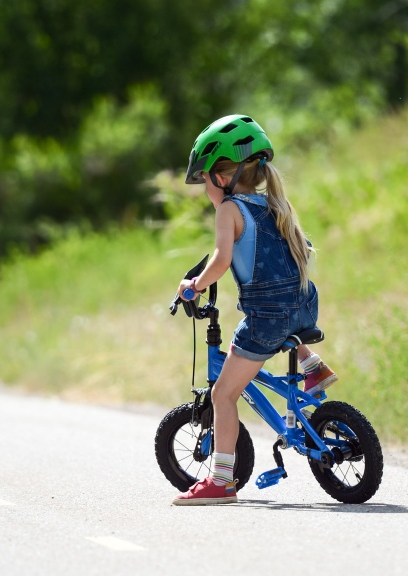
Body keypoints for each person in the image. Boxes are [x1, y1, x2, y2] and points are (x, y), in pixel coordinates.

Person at [172, 114, 336, 506]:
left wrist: (195, 286)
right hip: (304, 304)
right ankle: (312, 365)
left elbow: (221, 260)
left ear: (221, 178)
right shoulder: (272, 202)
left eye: (205, 180)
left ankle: (221, 481)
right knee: (281, 324)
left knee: (223, 395)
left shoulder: (229, 209)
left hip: (267, 317)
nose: (206, 189)